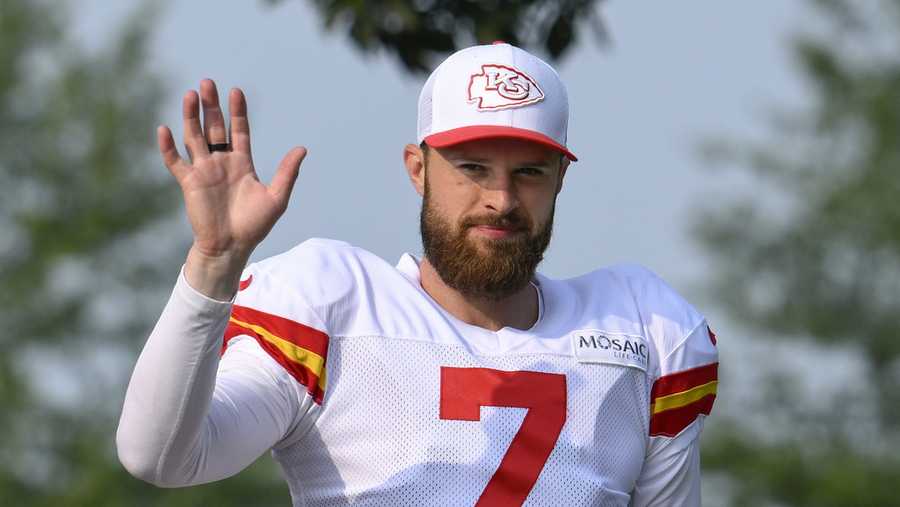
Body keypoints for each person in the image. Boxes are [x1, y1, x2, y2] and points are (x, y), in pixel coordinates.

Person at [116, 42, 719, 506]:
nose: (501, 200)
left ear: (561, 179)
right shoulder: (331, 303)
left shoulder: (645, 330)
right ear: (417, 170)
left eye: (529, 172)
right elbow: (162, 457)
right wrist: (215, 265)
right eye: (472, 167)